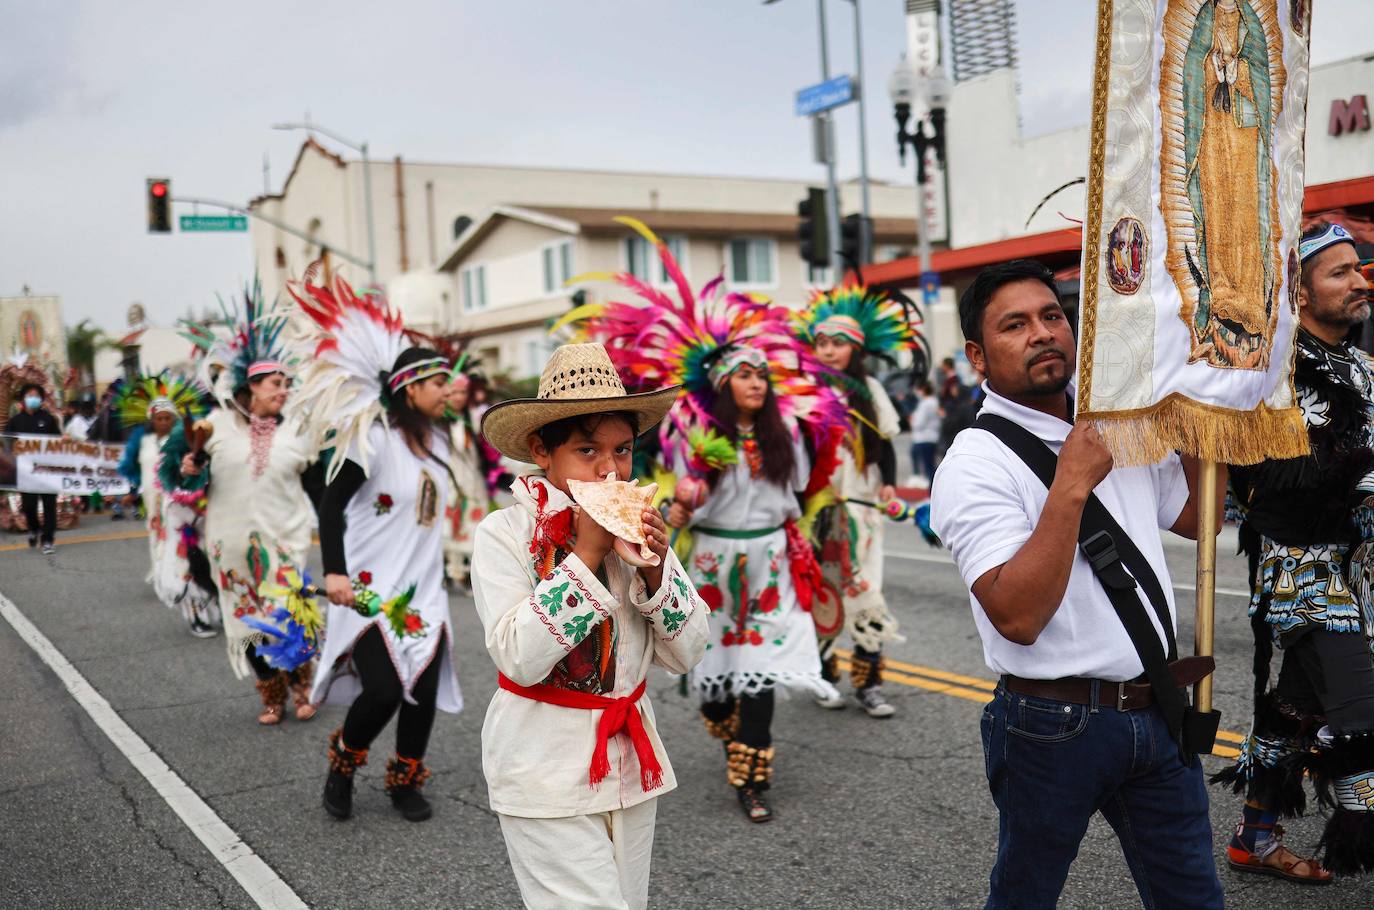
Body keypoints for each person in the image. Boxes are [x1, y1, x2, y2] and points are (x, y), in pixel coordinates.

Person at [930, 259, 1225, 910]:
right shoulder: (973, 464)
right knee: (1025, 897)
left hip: (1157, 714)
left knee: (1192, 898)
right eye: (1015, 325)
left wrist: (1202, 416)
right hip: (1051, 724)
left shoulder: (1124, 420)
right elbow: (1017, 614)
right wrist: (1071, 483)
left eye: (1052, 316)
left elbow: (1199, 519)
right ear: (978, 355)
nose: (1042, 333)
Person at [564, 218, 847, 824]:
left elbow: (806, 488)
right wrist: (687, 499)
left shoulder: (787, 437)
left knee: (762, 669)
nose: (756, 382)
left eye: (762, 375)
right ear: (722, 385)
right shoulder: (699, 438)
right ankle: (727, 729)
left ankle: (754, 776)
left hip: (769, 556)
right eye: (744, 374)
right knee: (719, 668)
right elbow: (675, 505)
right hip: (717, 558)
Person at [472, 340, 707, 910]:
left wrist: (653, 572)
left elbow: (690, 651)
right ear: (541, 451)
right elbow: (518, 657)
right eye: (586, 450)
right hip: (542, 769)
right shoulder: (503, 534)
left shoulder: (638, 526)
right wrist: (584, 554)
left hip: (630, 761)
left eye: (622, 451)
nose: (609, 469)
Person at [1216, 221, 1374, 881]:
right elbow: (1273, 473)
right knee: (1361, 712)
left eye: (1359, 269)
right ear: (1301, 294)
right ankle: (1360, 839)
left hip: (1357, 568)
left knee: (1297, 710)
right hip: (1297, 564)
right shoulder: (1267, 371)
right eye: (1339, 273)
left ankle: (1255, 836)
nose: (1360, 280)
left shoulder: (1364, 368)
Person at [288, 277, 464, 824]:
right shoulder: (374, 439)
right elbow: (330, 505)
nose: (448, 389)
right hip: (367, 588)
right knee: (385, 690)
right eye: (437, 381)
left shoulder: (438, 442)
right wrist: (334, 572)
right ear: (410, 389)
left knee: (423, 692)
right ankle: (343, 763)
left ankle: (405, 780)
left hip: (423, 592)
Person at [170, 283, 319, 724]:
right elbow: (184, 483)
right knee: (246, 620)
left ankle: (301, 685)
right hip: (230, 543)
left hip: (285, 539)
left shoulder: (298, 432)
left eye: (288, 384)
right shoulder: (212, 426)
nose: (284, 390)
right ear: (251, 386)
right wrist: (191, 466)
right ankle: (270, 693)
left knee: (291, 614)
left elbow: (320, 485)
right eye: (276, 383)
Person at [800, 282, 925, 717]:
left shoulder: (869, 388)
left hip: (861, 510)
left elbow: (885, 442)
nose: (828, 350)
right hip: (816, 511)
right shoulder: (804, 390)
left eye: (837, 343)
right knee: (821, 592)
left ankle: (869, 683)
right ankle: (823, 674)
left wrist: (888, 483)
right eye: (821, 343)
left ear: (855, 349)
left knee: (866, 589)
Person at [114, 372, 217, 637]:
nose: (162, 422)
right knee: (178, 556)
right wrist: (135, 492)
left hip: (194, 507)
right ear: (151, 420)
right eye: (158, 418)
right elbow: (134, 470)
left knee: (204, 556)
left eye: (167, 417)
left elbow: (202, 470)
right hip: (162, 507)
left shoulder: (188, 441)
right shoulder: (145, 442)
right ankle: (193, 612)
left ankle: (211, 604)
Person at [442, 366, 495, 590]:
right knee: (449, 528)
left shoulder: (473, 419)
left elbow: (485, 452)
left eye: (462, 393)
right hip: (448, 482)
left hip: (472, 482)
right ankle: (450, 571)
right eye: (453, 393)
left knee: (473, 527)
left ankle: (468, 575)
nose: (458, 398)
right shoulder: (437, 423)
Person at [9, 381, 61, 554]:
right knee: (29, 506)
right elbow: (8, 442)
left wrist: (65, 440)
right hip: (26, 473)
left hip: (48, 470)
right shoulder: (16, 421)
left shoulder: (48, 418)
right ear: (24, 399)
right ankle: (34, 529)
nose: (34, 399)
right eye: (30, 395)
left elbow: (58, 441)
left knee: (49, 505)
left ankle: (48, 540)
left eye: (37, 396)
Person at [909, 381, 940, 483]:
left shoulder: (925, 404)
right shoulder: (934, 401)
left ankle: (930, 486)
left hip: (924, 437)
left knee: (928, 466)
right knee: (930, 464)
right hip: (931, 436)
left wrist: (912, 421)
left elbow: (919, 423)